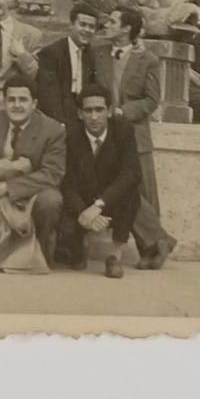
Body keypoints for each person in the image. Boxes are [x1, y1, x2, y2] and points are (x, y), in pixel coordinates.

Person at [91, 7, 177, 269]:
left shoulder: (148, 60)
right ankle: (159, 242)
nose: (107, 24)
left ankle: (150, 250)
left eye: (113, 21)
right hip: (107, 136)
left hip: (135, 134)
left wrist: (123, 112)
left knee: (143, 193)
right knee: (123, 191)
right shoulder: (98, 53)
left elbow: (152, 100)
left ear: (127, 28)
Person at [0, 73, 65, 271]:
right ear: (4, 102)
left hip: (32, 189)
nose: (17, 105)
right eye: (11, 100)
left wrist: (9, 187)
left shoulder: (52, 130)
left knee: (51, 200)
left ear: (34, 103)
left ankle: (40, 249)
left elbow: (53, 173)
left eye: (23, 100)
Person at [60, 85, 142, 279]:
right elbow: (67, 182)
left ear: (110, 111)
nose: (94, 117)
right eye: (88, 111)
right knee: (72, 250)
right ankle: (78, 247)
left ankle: (114, 256)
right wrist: (83, 212)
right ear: (80, 114)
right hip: (82, 201)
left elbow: (132, 173)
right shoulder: (71, 136)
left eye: (99, 110)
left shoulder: (123, 130)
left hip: (108, 199)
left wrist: (99, 205)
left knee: (131, 194)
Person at [33, 2, 99, 132]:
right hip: (59, 116)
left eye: (91, 27)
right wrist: (60, 123)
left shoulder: (91, 54)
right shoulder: (52, 53)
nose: (87, 30)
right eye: (82, 24)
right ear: (71, 25)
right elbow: (48, 93)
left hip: (82, 116)